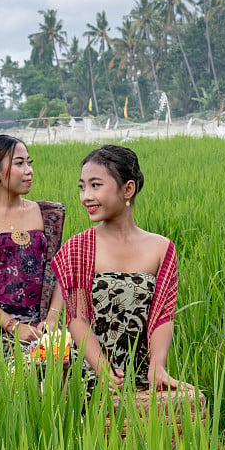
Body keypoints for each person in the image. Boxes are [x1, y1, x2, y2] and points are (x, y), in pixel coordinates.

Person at [50, 144, 178, 394]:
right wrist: (103, 370)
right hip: (88, 370)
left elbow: (163, 315)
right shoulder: (79, 247)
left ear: (128, 188)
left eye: (95, 185)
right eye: (82, 186)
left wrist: (157, 365)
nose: (86, 195)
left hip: (142, 372)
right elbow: (77, 318)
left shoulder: (161, 248)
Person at [0, 134, 65, 351]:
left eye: (29, 162)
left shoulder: (46, 214)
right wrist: (14, 327)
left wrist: (52, 319)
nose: (29, 170)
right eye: (19, 163)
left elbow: (57, 274)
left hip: (42, 332)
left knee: (48, 385)